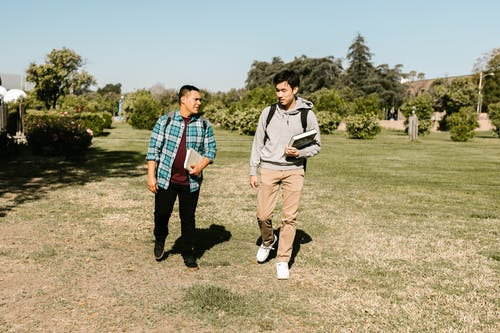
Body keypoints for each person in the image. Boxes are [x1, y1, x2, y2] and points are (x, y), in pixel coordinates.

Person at [249, 70, 321, 279]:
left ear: (295, 90)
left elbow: (317, 145)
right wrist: (253, 170)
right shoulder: (268, 112)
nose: (279, 95)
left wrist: (300, 152)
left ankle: (282, 259)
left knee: (289, 218)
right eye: (277, 90)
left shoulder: (307, 114)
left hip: (294, 170)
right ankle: (268, 242)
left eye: (284, 90)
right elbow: (257, 142)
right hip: (269, 168)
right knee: (263, 215)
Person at [146, 85, 216, 268]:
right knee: (161, 214)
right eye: (196, 99)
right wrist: (151, 176)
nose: (199, 103)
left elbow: (211, 151)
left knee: (188, 218)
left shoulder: (203, 124)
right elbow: (153, 150)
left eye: (200, 100)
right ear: (183, 99)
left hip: (190, 182)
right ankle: (160, 239)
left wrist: (200, 167)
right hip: (165, 179)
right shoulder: (165, 121)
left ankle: (188, 252)